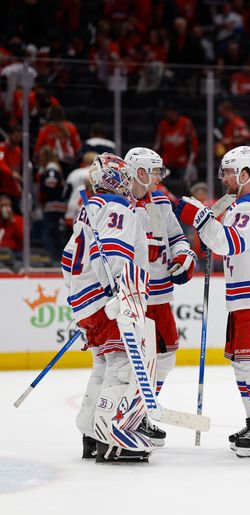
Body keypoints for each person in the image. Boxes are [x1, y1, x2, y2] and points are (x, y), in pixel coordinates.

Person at [175, 146, 250, 458]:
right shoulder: (240, 204)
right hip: (246, 294)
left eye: (230, 171)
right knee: (242, 365)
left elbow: (229, 243)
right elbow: (222, 240)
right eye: (224, 171)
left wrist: (199, 218)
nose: (224, 177)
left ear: (245, 174)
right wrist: (207, 221)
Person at [61, 153, 152, 462]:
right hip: (109, 300)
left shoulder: (88, 210)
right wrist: (118, 292)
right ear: (112, 178)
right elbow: (112, 253)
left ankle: (89, 432)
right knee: (122, 367)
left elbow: (66, 260)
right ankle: (112, 439)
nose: (128, 181)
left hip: (85, 300)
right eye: (123, 175)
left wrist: (78, 296)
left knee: (102, 365)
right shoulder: (118, 206)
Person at [126, 147, 196, 446]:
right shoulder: (120, 205)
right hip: (133, 299)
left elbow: (177, 238)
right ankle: (125, 417)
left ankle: (141, 412)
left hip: (161, 297)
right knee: (130, 361)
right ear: (139, 173)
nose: (159, 176)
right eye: (155, 171)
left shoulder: (162, 202)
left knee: (164, 358)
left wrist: (184, 257)